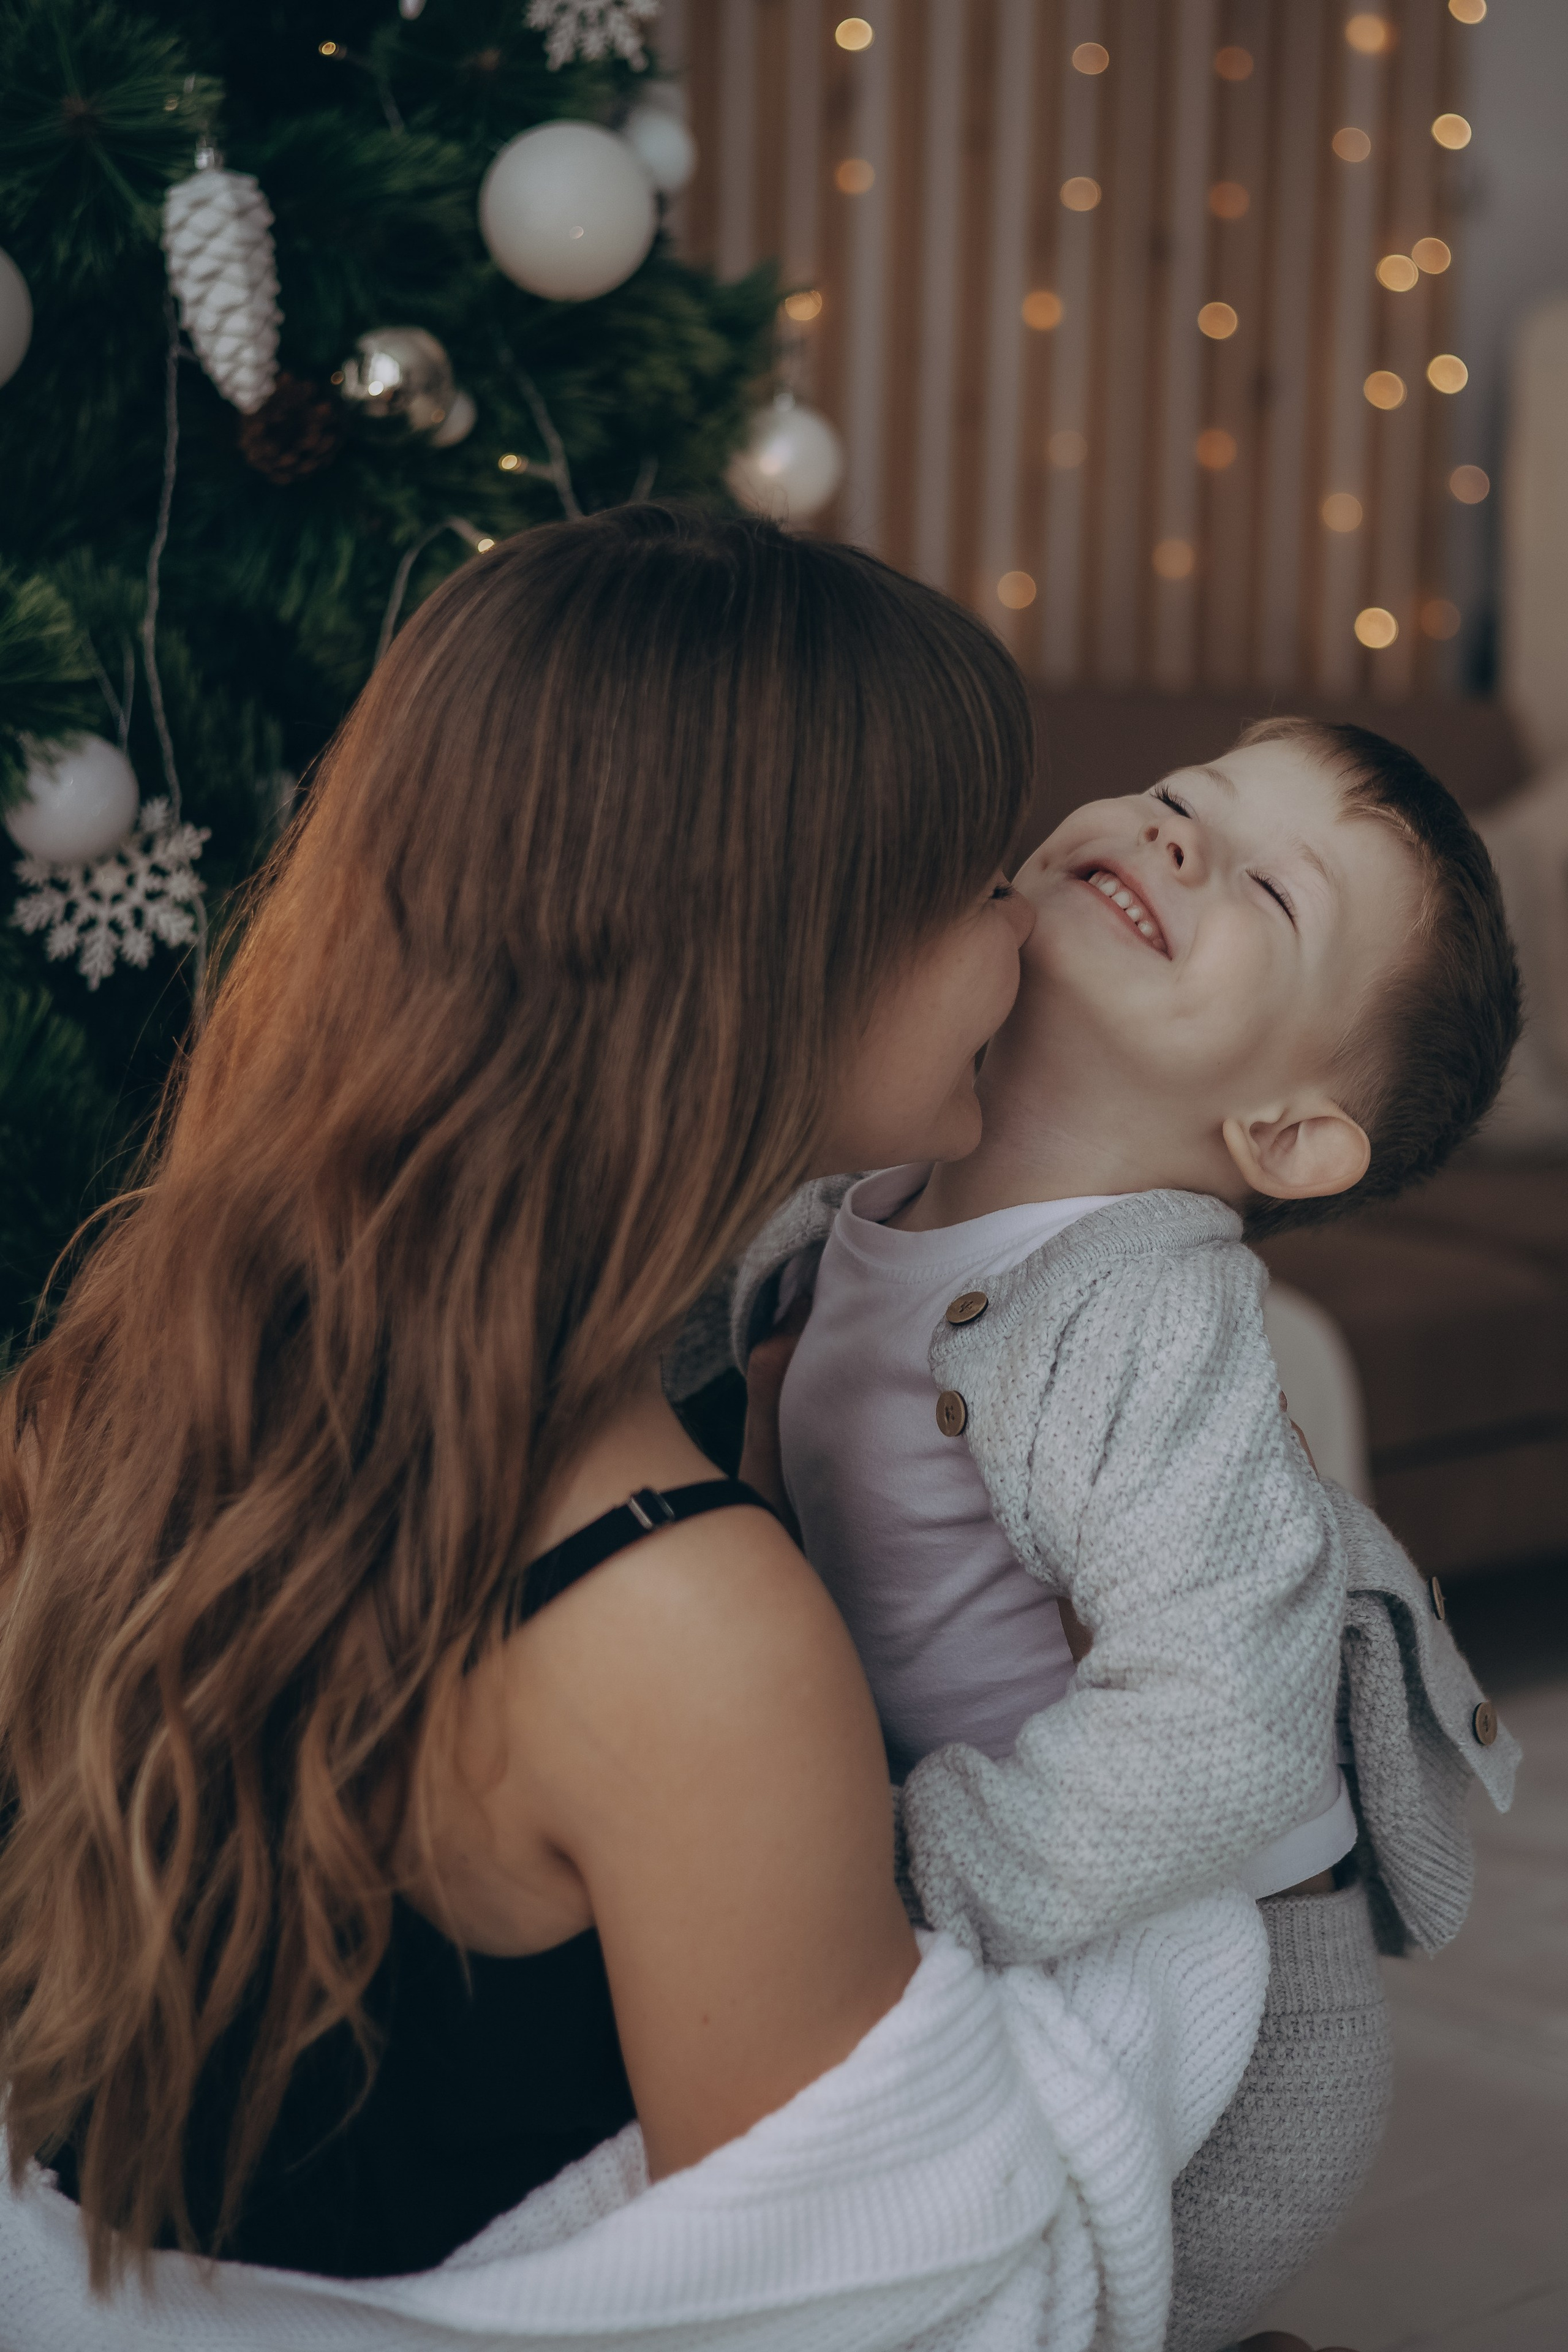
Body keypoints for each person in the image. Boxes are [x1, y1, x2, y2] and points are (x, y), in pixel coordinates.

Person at [0, 507, 1032, 2284]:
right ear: (772, 961)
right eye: (980, 876)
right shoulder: (691, 1632)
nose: (1027, 930)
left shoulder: (96, 1380)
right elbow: (856, 2314)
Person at [729, 720, 1521, 2351]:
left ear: (1289, 1135)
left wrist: (889, 1872)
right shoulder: (870, 1176)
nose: (1176, 844)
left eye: (1268, 892)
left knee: (1052, 2304)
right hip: (1025, 1901)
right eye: (1180, 801)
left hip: (1219, 2000)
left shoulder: (1144, 1308)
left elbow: (1225, 1719)